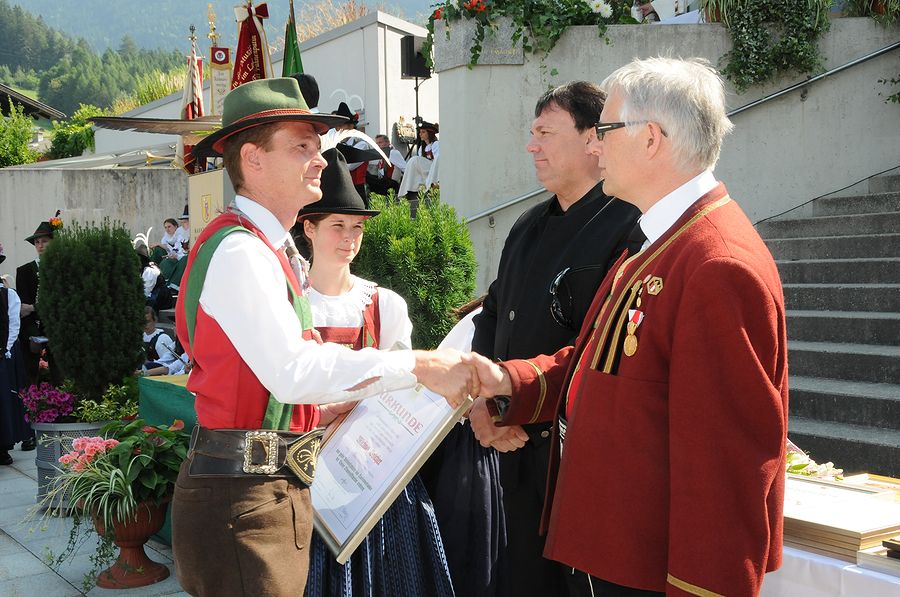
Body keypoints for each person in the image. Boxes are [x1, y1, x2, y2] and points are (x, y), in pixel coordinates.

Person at [470, 57, 788, 596]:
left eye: (606, 130)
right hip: (608, 551)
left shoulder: (716, 264)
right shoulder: (663, 239)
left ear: (651, 139)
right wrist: (510, 382)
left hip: (644, 569)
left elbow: (725, 471)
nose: (596, 146)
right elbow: (600, 364)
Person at [172, 77, 482, 597]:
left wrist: (318, 412)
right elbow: (292, 370)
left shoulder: (260, 247)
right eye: (302, 147)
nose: (319, 160)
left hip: (257, 488)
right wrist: (418, 365)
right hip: (243, 496)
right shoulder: (242, 251)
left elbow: (274, 382)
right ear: (253, 159)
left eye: (317, 147)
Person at [428, 81, 640, 597]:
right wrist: (483, 404)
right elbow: (492, 317)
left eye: (546, 133)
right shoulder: (526, 225)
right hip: (507, 448)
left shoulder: (628, 225)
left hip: (573, 462)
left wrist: (514, 402)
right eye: (532, 133)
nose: (532, 146)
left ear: (593, 139)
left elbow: (601, 352)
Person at [298, 147, 454, 597]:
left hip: (375, 473)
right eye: (337, 226)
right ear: (309, 228)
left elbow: (404, 393)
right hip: (305, 470)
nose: (349, 238)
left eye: (357, 228)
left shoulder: (385, 305)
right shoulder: (290, 305)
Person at [1, 250, 29, 465]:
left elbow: (12, 325)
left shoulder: (7, 295)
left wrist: (5, 349)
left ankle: (3, 445)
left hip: (2, 353)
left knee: (4, 401)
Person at [331, 101, 371, 199]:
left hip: (356, 189)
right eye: (337, 126)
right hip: (338, 188)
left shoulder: (361, 145)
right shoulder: (334, 143)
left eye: (341, 126)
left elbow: (349, 166)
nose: (338, 129)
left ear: (351, 126)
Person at [398, 122, 440, 212]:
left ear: (430, 133)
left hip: (434, 169)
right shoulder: (422, 148)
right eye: (420, 132)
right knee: (413, 160)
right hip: (425, 170)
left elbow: (438, 160)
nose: (420, 134)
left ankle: (431, 186)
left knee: (415, 160)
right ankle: (408, 189)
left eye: (423, 132)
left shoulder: (436, 144)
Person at [140, 307, 186, 376]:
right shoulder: (175, 344)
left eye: (176, 325)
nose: (173, 328)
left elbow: (171, 367)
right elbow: (164, 362)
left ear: (155, 320)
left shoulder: (162, 338)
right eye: (174, 325)